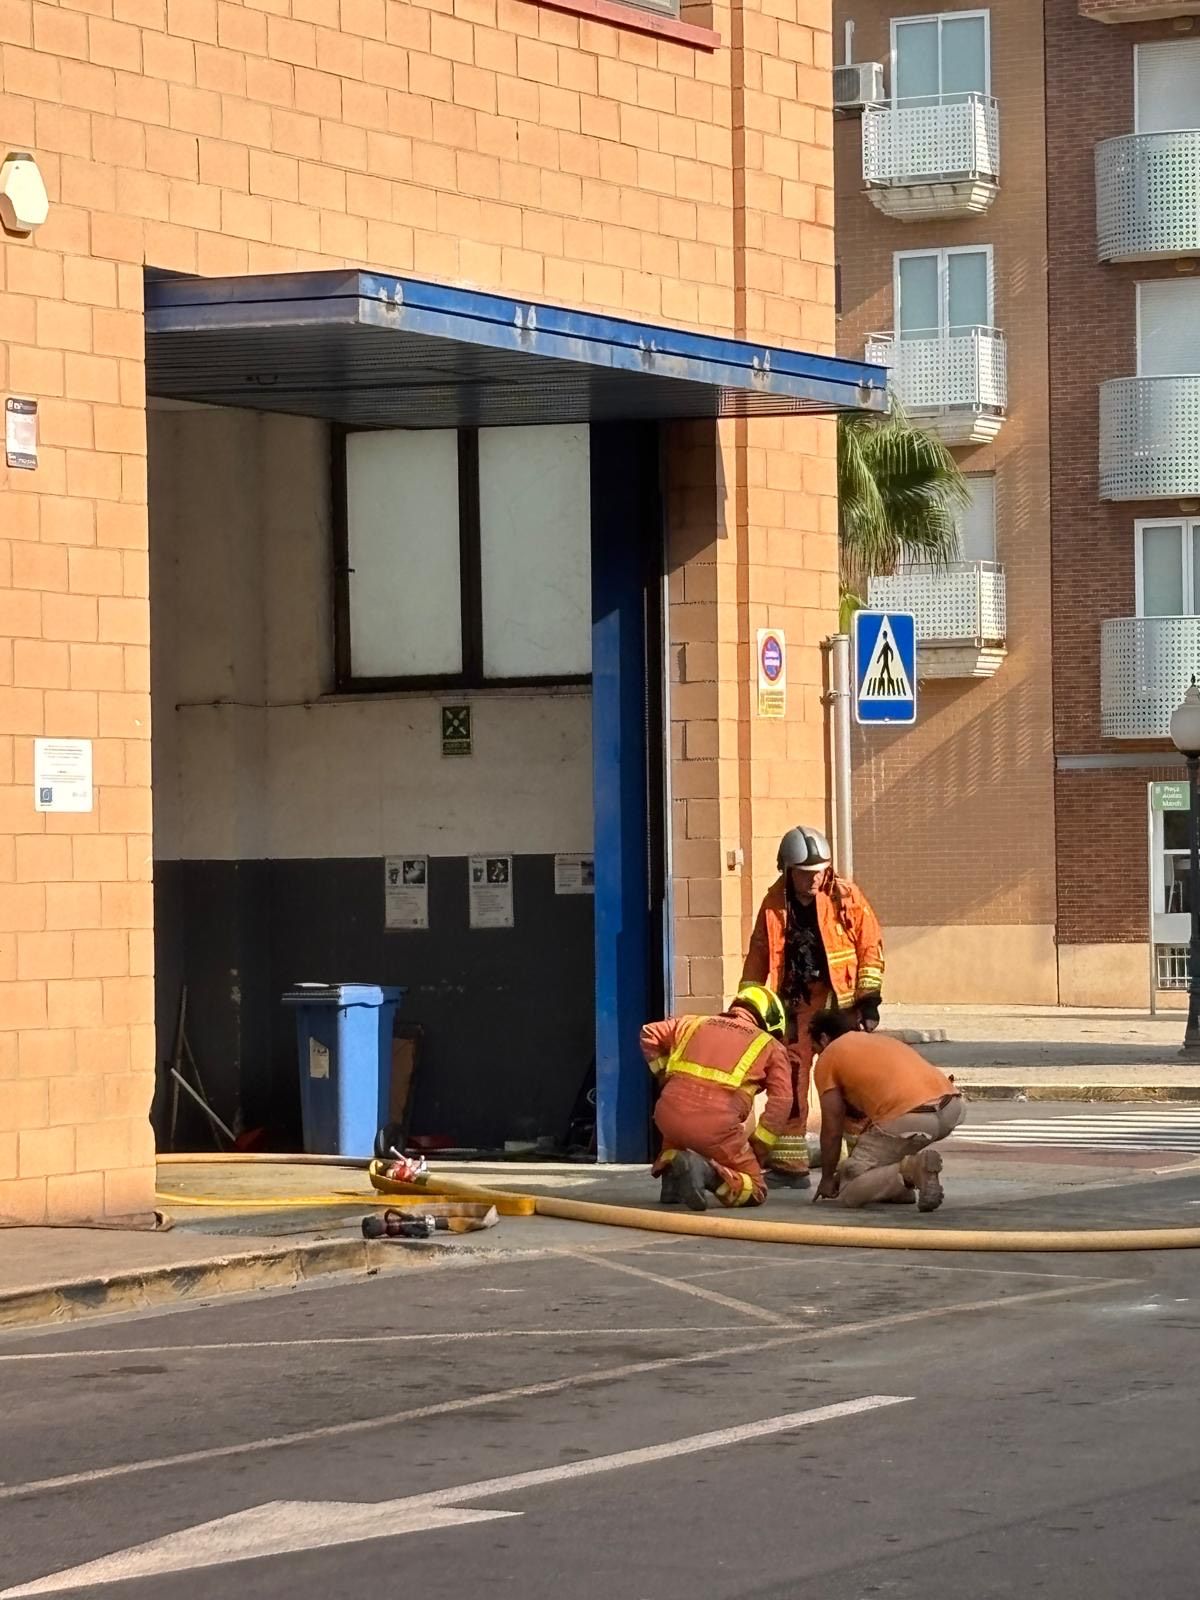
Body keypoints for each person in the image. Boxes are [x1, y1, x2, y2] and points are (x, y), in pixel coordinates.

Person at [742, 826, 884, 1184]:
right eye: (805, 874)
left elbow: (870, 947)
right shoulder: (775, 904)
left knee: (851, 1081)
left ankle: (865, 1160)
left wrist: (868, 1003)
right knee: (790, 1077)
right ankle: (790, 1166)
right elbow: (759, 957)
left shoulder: (845, 896)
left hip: (842, 1002)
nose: (814, 879)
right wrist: (750, 1008)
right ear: (787, 871)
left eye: (820, 871)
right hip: (795, 1002)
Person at [639, 983, 794, 1211]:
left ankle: (672, 1177)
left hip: (667, 1116)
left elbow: (649, 1033)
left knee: (679, 1139)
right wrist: (760, 1145)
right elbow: (782, 1101)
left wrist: (664, 1075)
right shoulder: (770, 1046)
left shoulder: (692, 1023)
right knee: (756, 1188)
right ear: (769, 1020)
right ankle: (709, 1173)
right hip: (716, 1127)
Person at [808, 1010, 965, 1212]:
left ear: (823, 1038)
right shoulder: (878, 1041)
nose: (816, 1054)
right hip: (951, 1107)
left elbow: (832, 1128)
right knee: (883, 1160)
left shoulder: (829, 1055)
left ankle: (911, 1170)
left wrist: (828, 1179)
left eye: (815, 1049)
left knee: (849, 1188)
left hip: (911, 1118)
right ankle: (903, 1184)